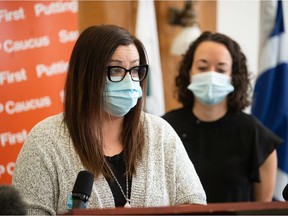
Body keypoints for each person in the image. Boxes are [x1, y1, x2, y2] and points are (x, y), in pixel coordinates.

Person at [12, 24, 206, 215]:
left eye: (136, 70)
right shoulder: (44, 140)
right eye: (115, 70)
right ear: (86, 75)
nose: (129, 80)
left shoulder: (160, 132)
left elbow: (195, 205)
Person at [162, 31, 282, 203]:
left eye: (221, 69)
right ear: (189, 72)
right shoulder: (165, 128)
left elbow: (262, 209)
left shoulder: (257, 136)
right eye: (202, 68)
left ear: (233, 76)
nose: (211, 75)